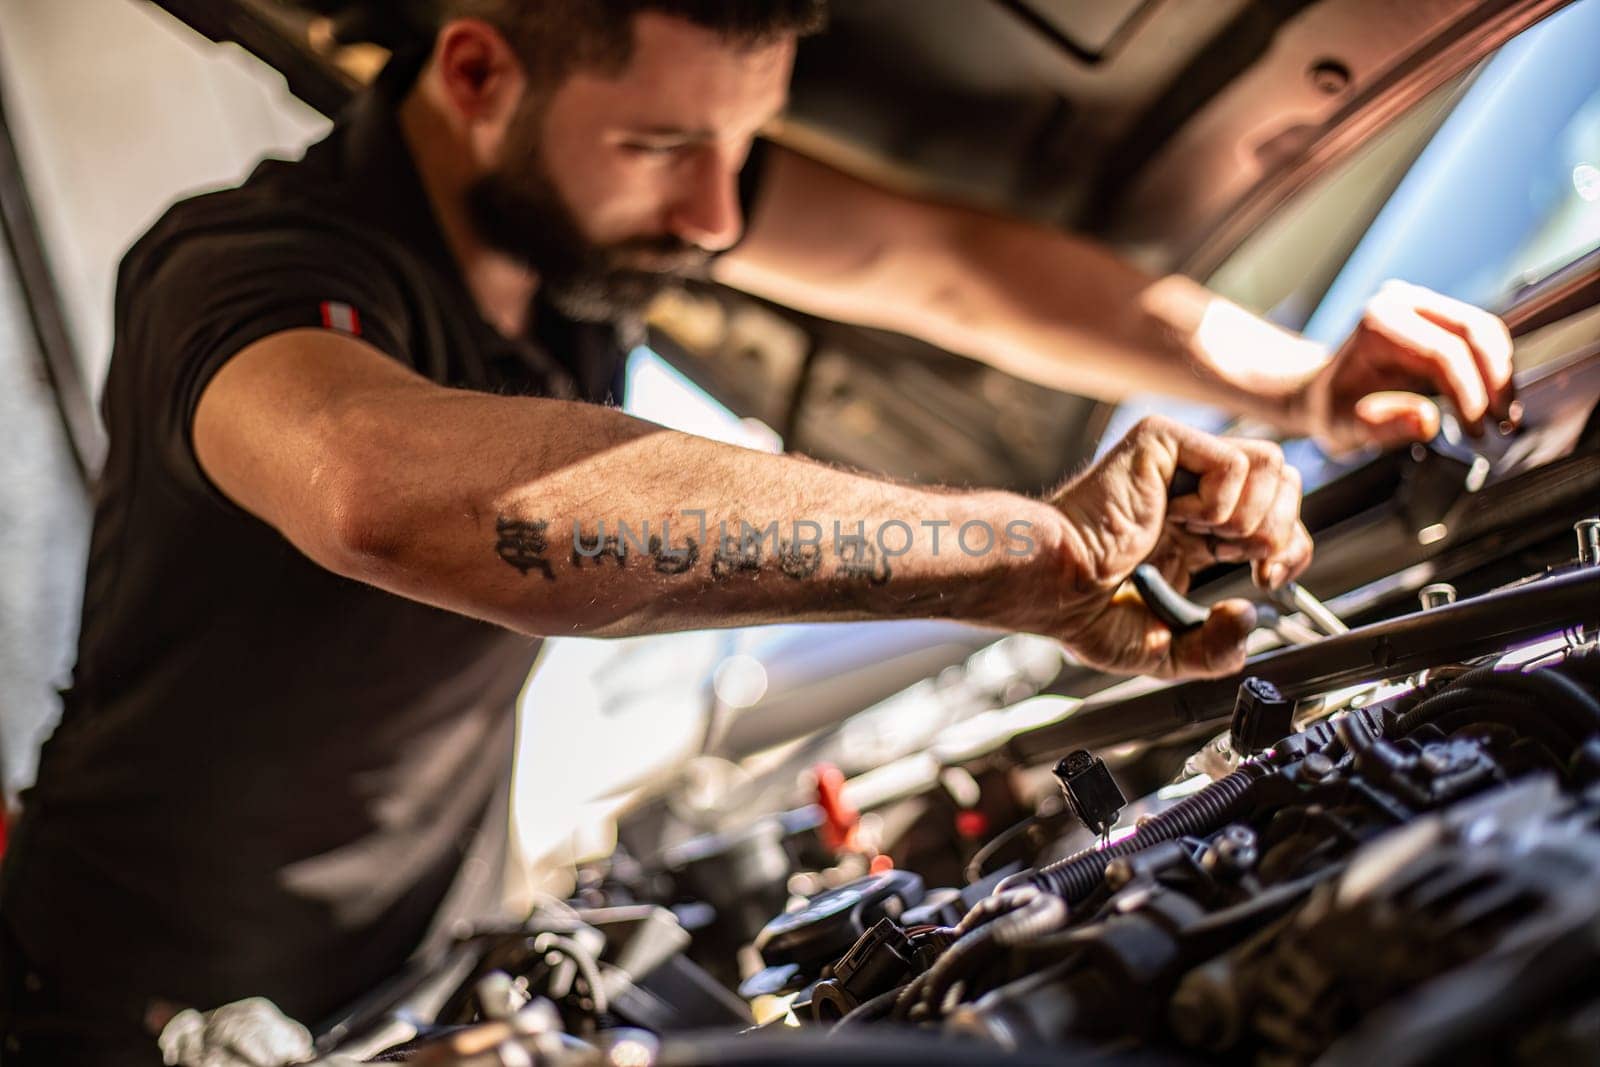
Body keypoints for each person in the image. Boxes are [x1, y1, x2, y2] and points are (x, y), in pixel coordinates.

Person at [0, 1, 1514, 1063]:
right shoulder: (241, 268)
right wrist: (1023, 553)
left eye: (752, 145)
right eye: (670, 146)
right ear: (475, 74)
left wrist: (1293, 377)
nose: (724, 216)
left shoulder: (602, 195)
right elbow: (380, 491)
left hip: (427, 962)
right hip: (122, 994)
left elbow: (941, 266)